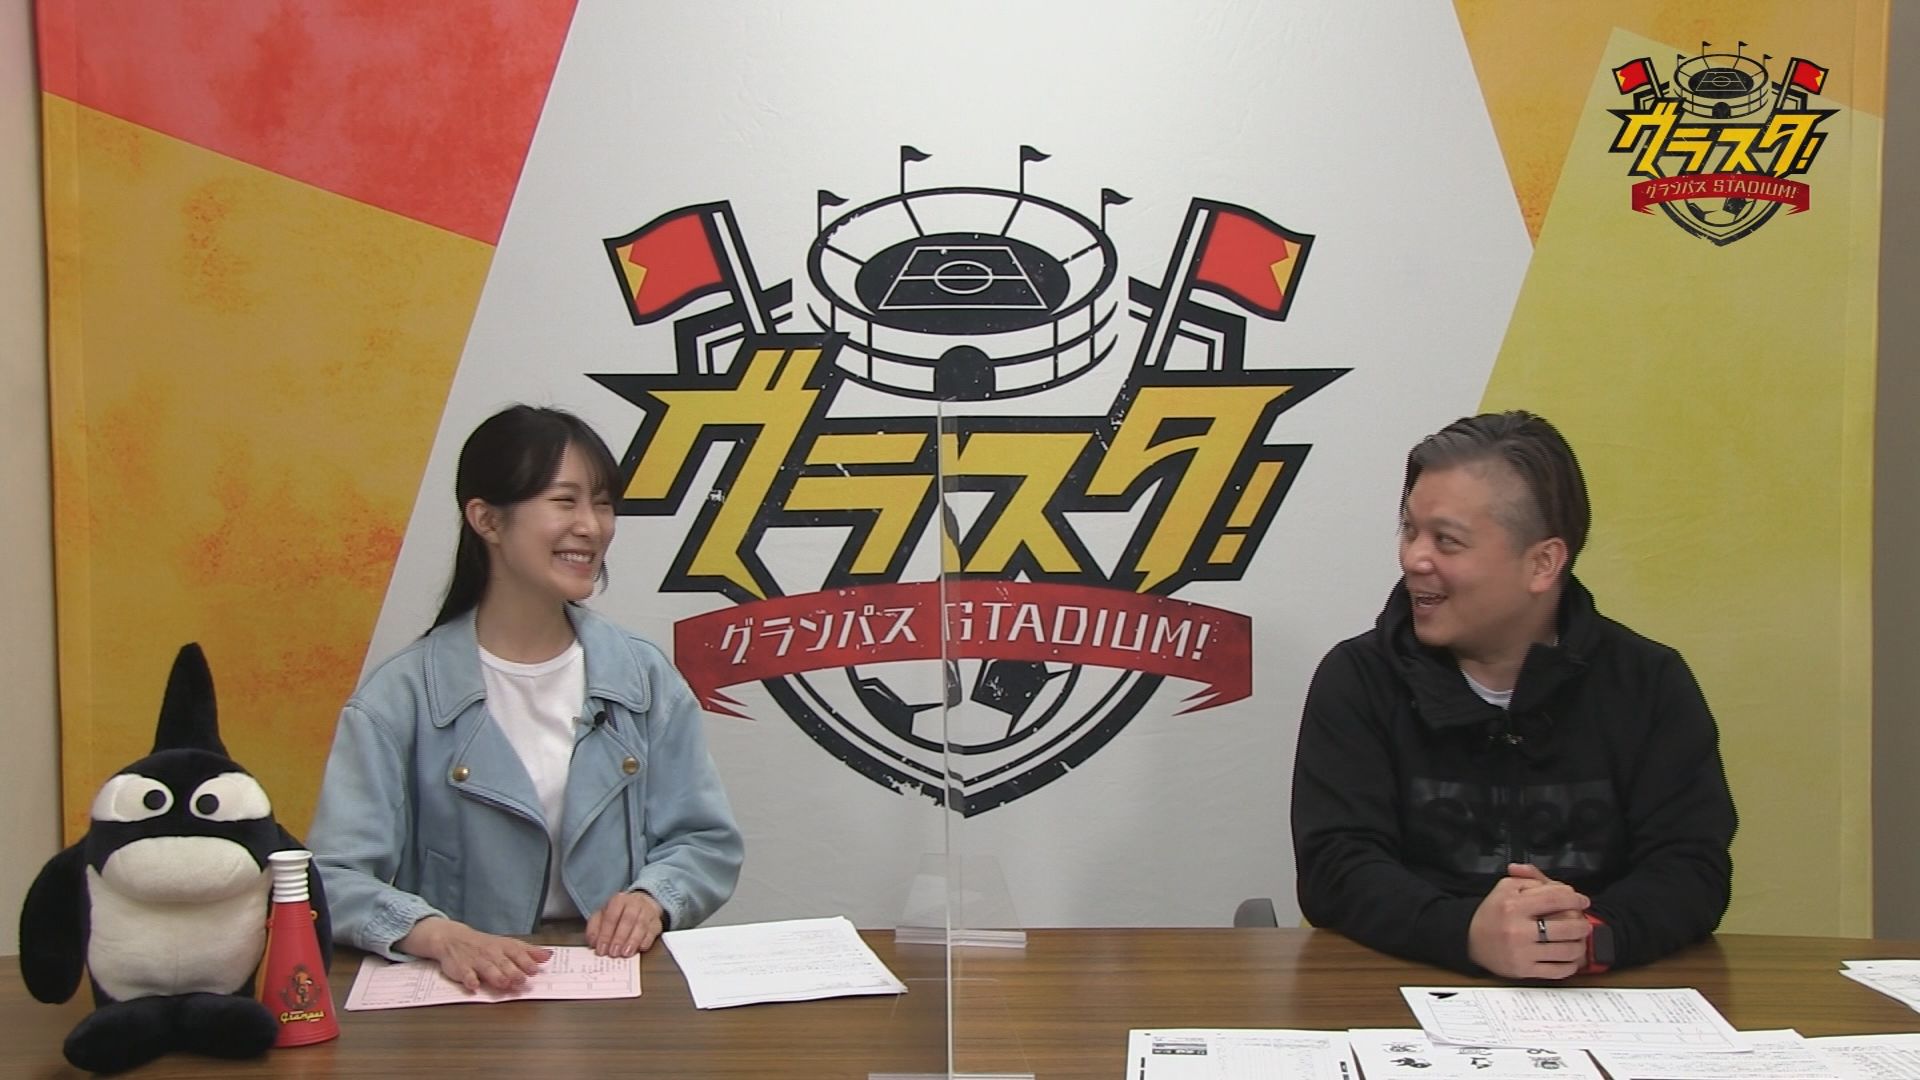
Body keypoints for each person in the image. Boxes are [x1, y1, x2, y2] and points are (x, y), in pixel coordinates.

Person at [309, 405, 743, 991]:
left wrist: (652, 898)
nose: (592, 527)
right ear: (486, 520)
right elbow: (334, 878)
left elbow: (705, 842)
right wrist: (436, 934)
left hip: (612, 987)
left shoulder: (642, 677)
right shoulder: (399, 697)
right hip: (465, 994)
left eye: (602, 503)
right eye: (565, 501)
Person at [1290, 410, 1735, 979]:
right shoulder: (1358, 678)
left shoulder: (1649, 683)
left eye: (1446, 541)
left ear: (1542, 563)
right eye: (1409, 530)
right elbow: (1336, 869)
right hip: (1408, 984)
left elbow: (1692, 867)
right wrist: (1465, 932)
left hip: (1606, 992)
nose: (1413, 558)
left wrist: (1588, 936)